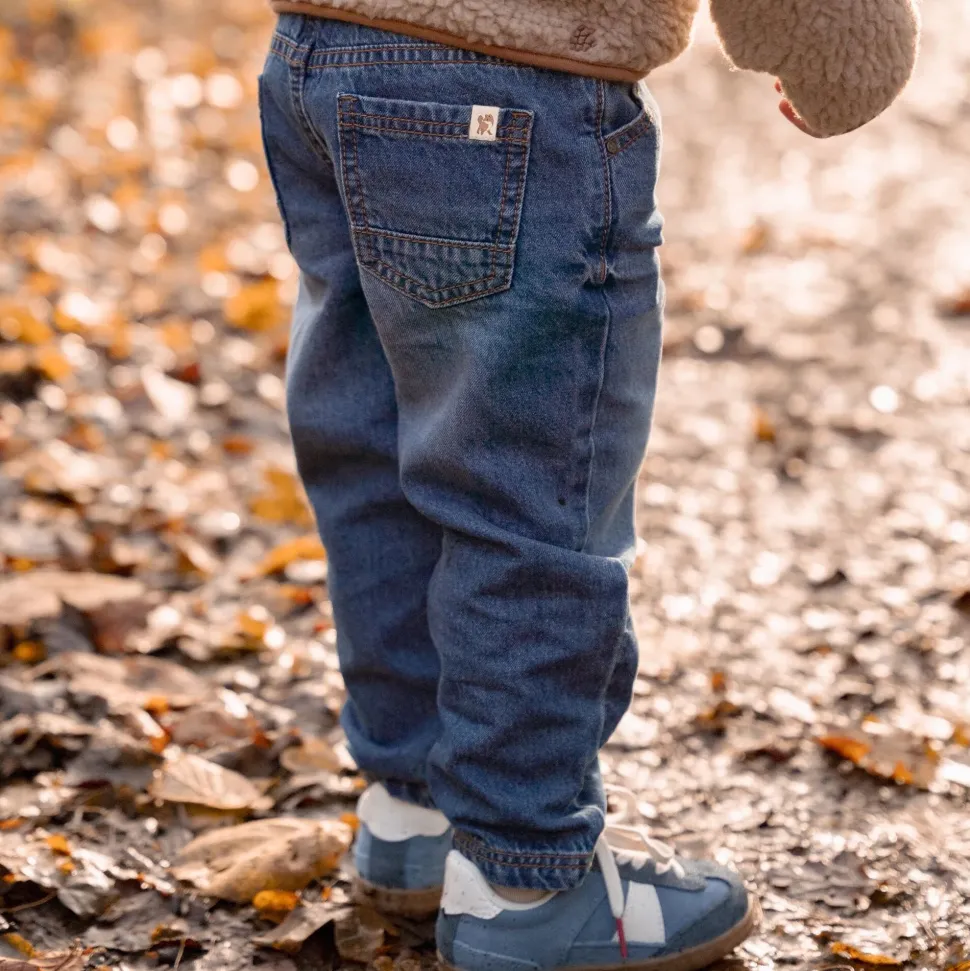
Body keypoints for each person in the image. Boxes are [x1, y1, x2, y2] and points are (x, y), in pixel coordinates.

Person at [258, 1, 920, 967]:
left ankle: (415, 813)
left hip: (317, 53)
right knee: (526, 488)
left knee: (377, 445)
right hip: (520, 70)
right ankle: (525, 879)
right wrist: (835, 48)